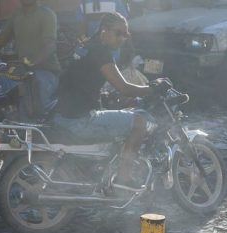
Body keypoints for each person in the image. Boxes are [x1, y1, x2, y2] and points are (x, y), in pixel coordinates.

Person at [55, 11, 158, 188]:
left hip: (63, 113)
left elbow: (81, 82)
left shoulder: (86, 47)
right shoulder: (101, 53)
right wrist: (153, 89)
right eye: (118, 33)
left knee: (122, 115)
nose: (122, 38)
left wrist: (106, 97)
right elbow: (125, 88)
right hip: (80, 119)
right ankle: (124, 178)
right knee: (139, 123)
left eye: (126, 34)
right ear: (104, 31)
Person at [0, 0, 60, 117]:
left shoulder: (47, 14)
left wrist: (31, 63)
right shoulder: (17, 14)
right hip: (22, 72)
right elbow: (1, 39)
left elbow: (50, 45)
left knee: (32, 102)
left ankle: (40, 131)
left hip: (46, 71)